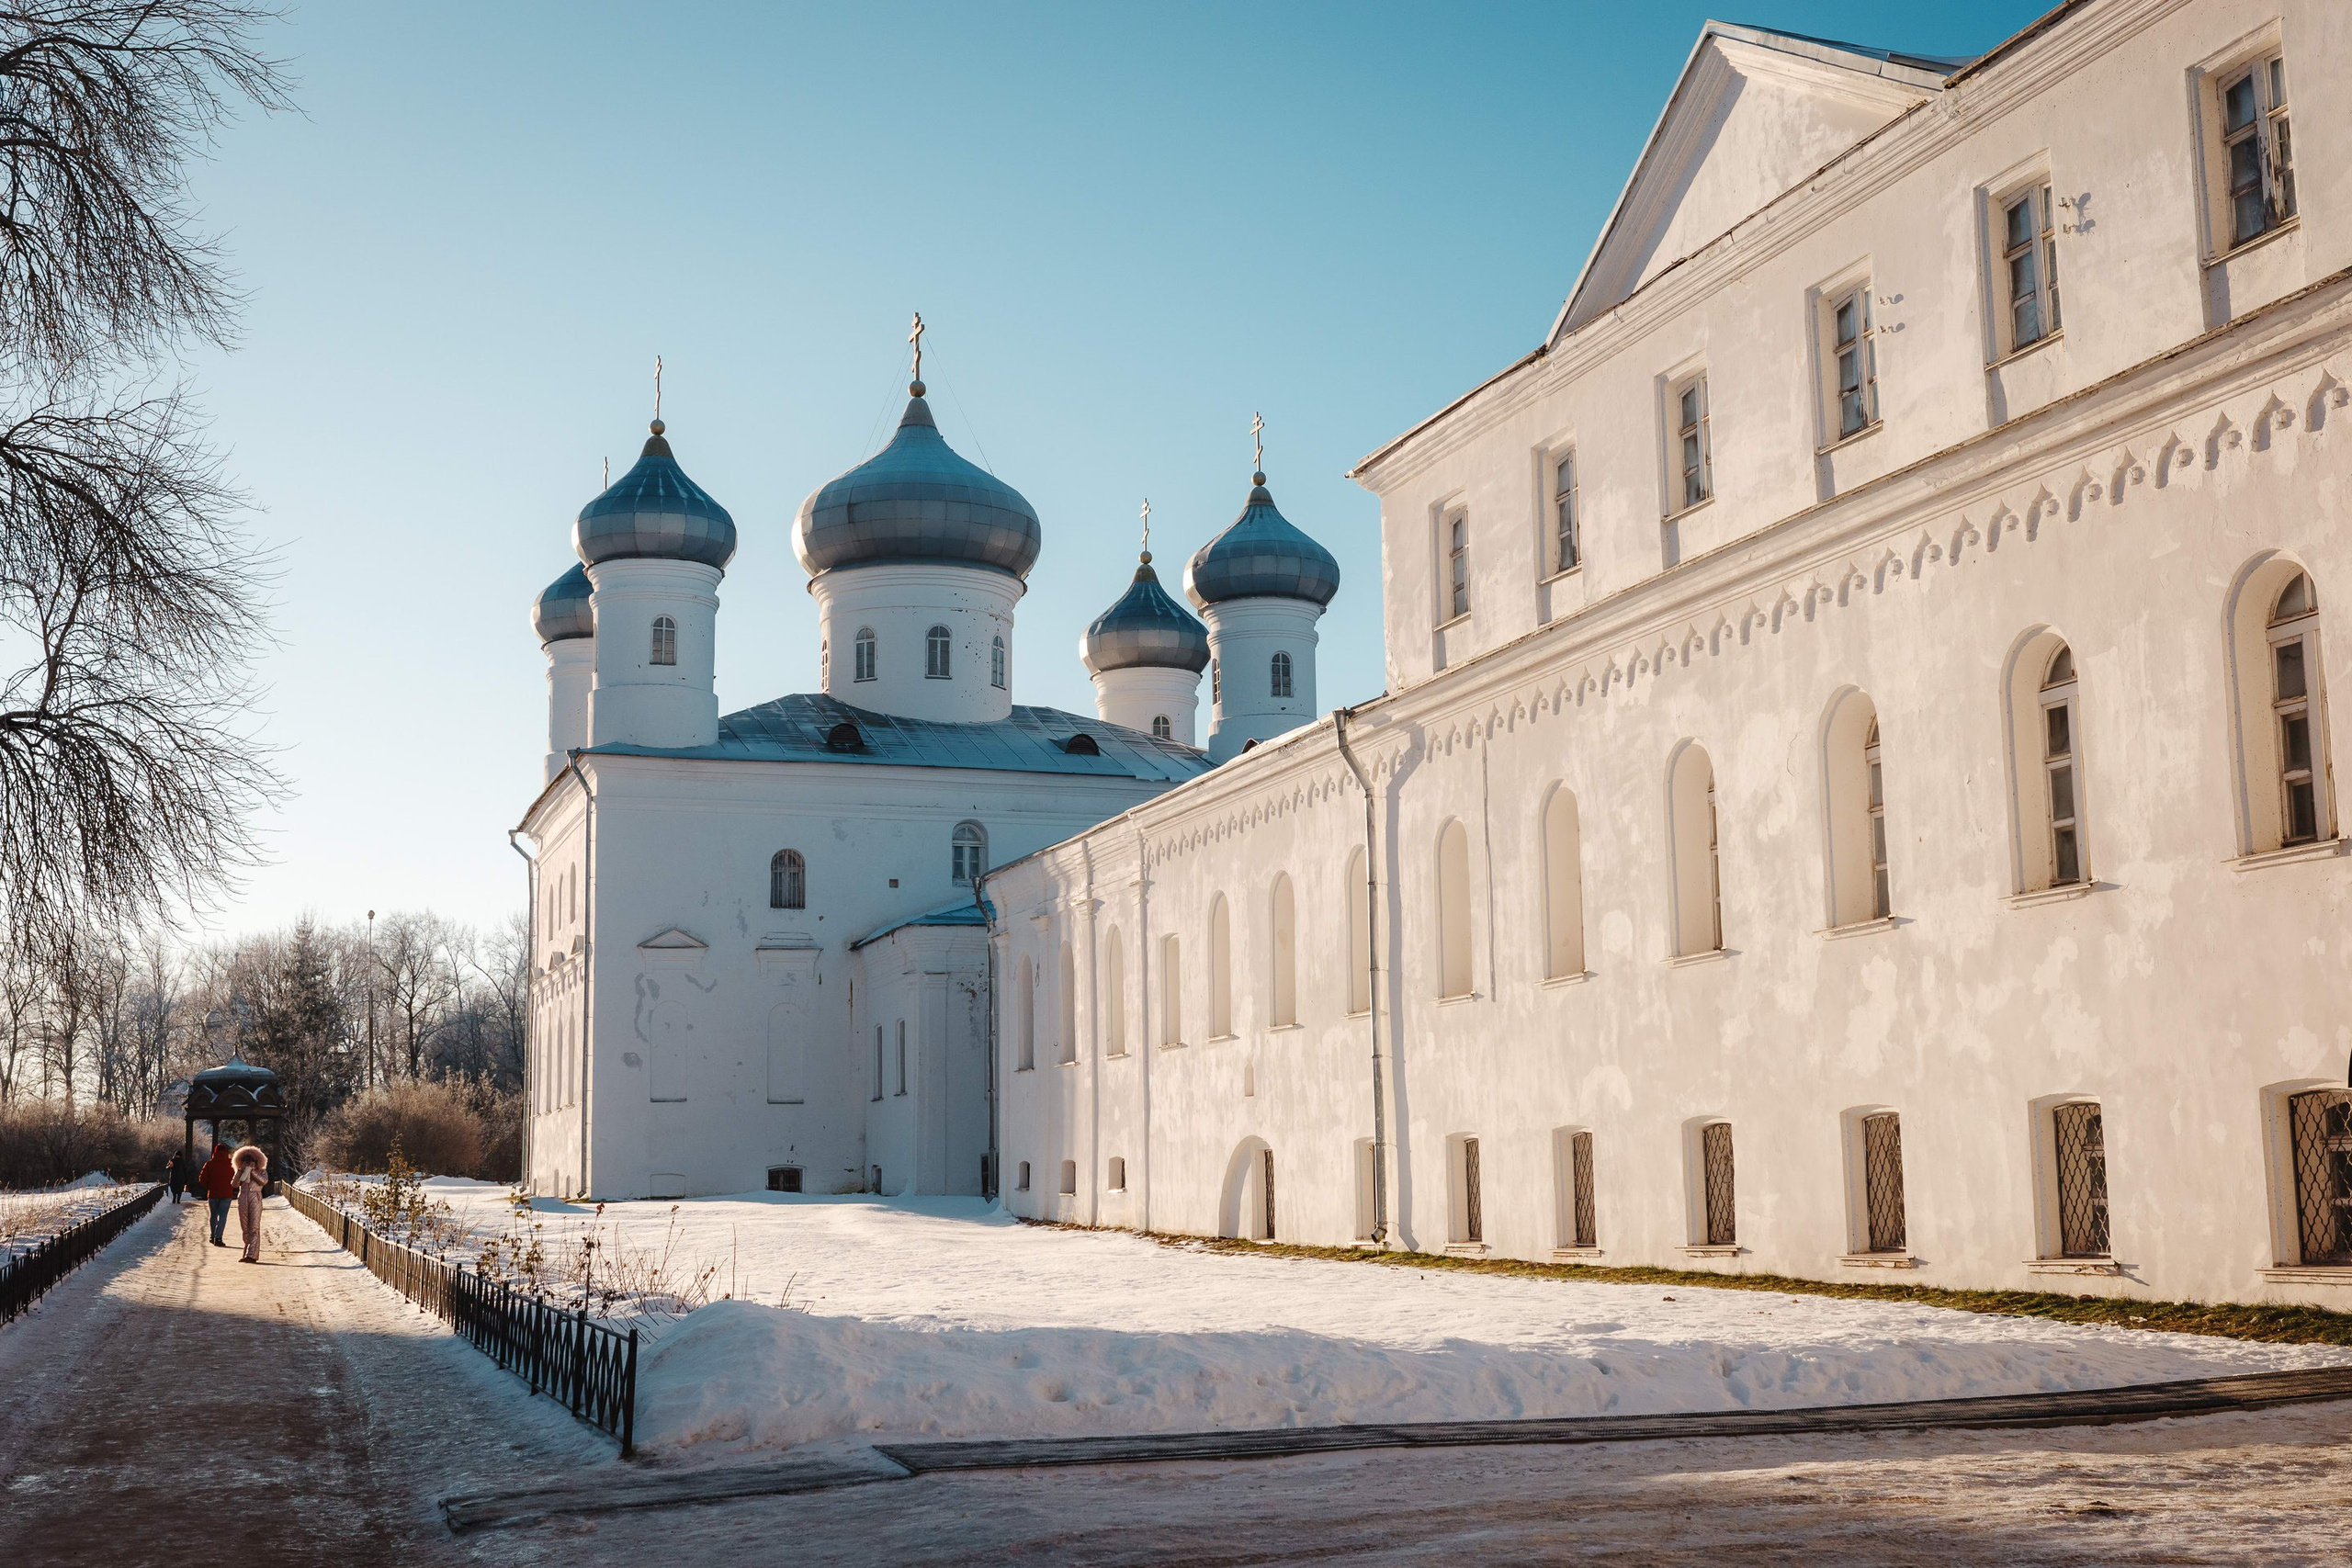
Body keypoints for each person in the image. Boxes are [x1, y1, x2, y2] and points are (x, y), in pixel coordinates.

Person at [232, 1145, 268, 1263]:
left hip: (255, 1198)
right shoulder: (241, 1171)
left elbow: (263, 1181)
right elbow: (234, 1184)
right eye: (245, 1161)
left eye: (250, 1161)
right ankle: (247, 1251)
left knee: (254, 1227)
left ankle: (252, 1255)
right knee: (245, 1227)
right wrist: (241, 1171)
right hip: (243, 1197)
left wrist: (252, 1172)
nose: (248, 1163)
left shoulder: (261, 1171)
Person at [198, 1141, 235, 1246]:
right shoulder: (231, 1164)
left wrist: (209, 1186)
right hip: (226, 1194)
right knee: (223, 1216)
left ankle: (212, 1235)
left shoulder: (209, 1163)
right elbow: (236, 1178)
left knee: (213, 1215)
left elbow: (202, 1179)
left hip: (213, 1193)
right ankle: (218, 1238)